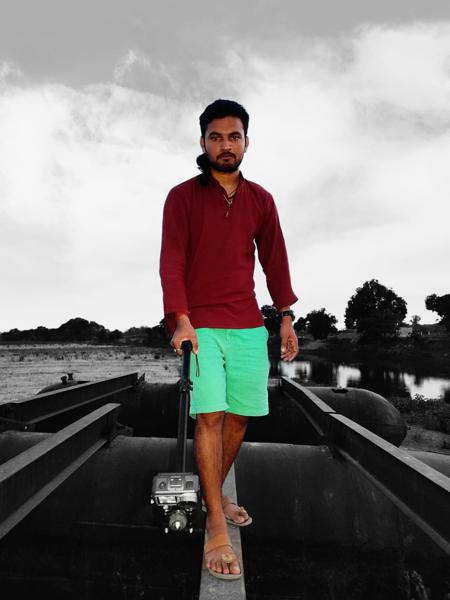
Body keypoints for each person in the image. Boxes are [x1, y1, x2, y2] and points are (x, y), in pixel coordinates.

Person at [159, 99, 298, 580]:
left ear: (246, 142)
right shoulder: (181, 196)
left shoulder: (261, 199)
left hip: (247, 326)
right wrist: (180, 319)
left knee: (240, 415)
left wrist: (285, 316)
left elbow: (275, 259)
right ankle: (215, 523)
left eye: (233, 137)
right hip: (200, 326)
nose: (225, 145)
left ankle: (211, 494)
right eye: (216, 137)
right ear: (203, 142)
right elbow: (172, 260)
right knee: (210, 416)